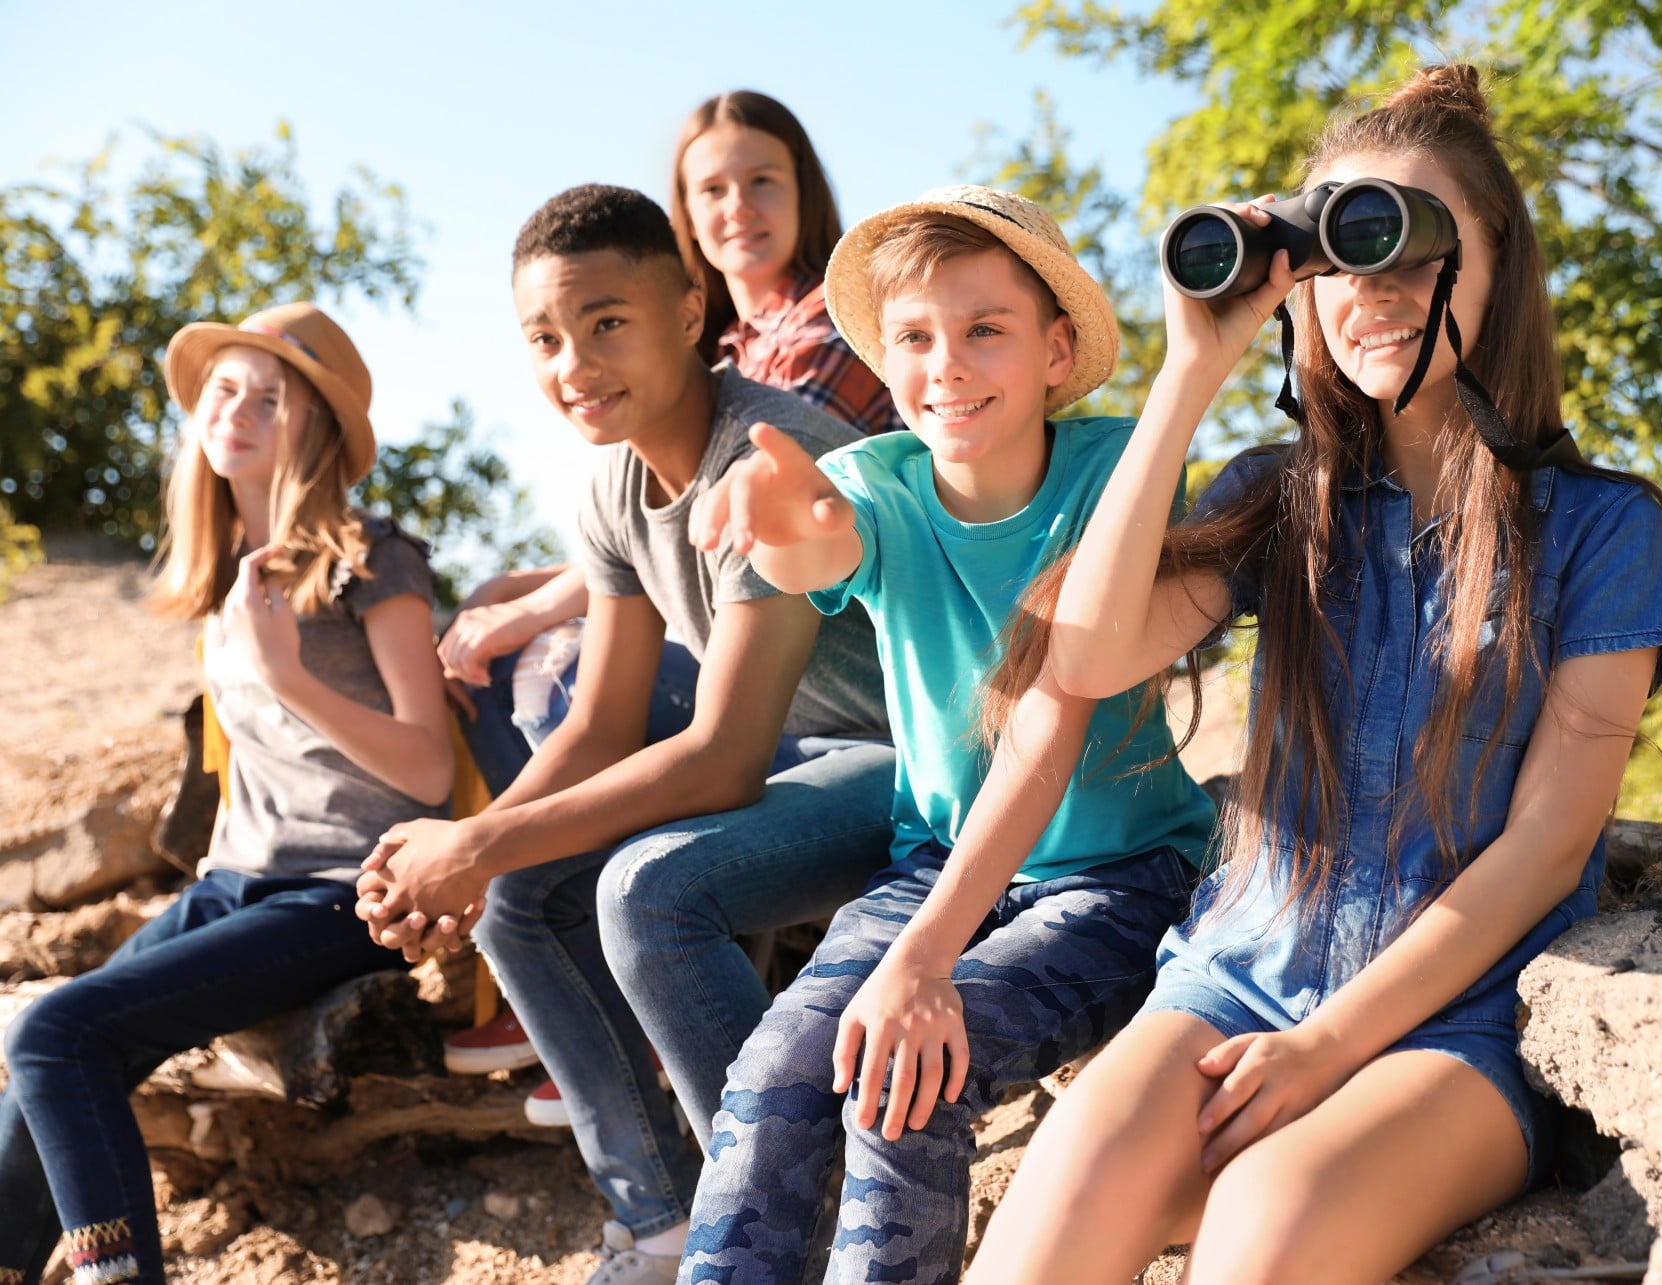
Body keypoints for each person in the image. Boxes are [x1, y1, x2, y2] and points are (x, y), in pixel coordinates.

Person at [966, 65, 1662, 1284]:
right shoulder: (1276, 499)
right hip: (1235, 975)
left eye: (1407, 242)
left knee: (1267, 1222)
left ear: (1496, 260)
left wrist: (1323, 1048)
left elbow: (1542, 846)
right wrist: (1189, 367)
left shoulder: (1602, 531)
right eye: (1335, 256)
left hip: (1458, 1024)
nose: (1372, 290)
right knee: (1048, 1217)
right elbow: (1087, 655)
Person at [353, 184, 894, 1285]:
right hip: (797, 759)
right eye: (545, 338)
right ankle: (660, 1217)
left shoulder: (767, 456)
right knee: (519, 886)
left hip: (905, 764)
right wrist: (467, 854)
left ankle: (780, 1222)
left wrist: (474, 843)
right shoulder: (610, 482)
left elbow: (723, 756)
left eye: (606, 322)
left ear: (691, 311)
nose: (573, 364)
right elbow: (600, 720)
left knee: (646, 889)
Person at [677, 186, 1217, 1285]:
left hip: (1114, 877)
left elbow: (1050, 718)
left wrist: (924, 961)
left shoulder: (1112, 474)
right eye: (914, 339)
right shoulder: (877, 480)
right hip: (930, 866)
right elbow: (815, 544)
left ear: (1056, 351)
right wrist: (771, 499)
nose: (947, 365)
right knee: (777, 1064)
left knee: (910, 1068)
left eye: (984, 330)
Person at [0, 303, 452, 1285]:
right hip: (237, 880)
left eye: (270, 395)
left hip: (348, 889)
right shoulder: (222, 579)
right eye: (221, 390)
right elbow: (262, 757)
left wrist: (289, 671)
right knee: (44, 1036)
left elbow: (428, 769)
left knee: (54, 1030)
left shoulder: (374, 561)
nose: (234, 410)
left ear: (318, 429)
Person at [437, 89, 898, 794]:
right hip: (744, 632)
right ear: (684, 212)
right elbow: (650, 538)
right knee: (492, 627)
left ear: (805, 192)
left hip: (837, 682)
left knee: (549, 657)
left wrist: (531, 607)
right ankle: (545, 870)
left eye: (762, 182)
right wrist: (505, 592)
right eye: (711, 188)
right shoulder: (720, 348)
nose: (737, 206)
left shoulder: (828, 331)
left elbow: (726, 527)